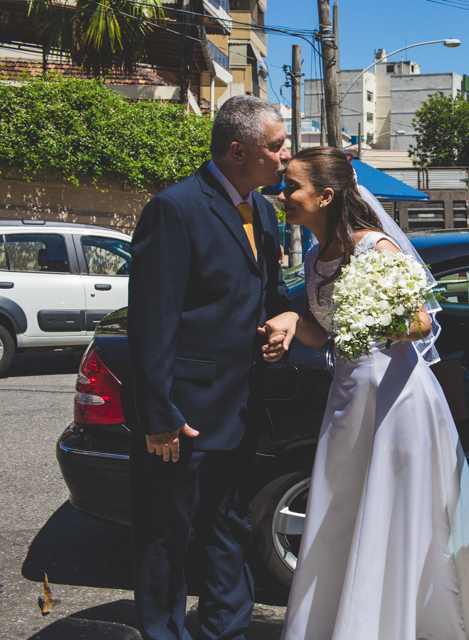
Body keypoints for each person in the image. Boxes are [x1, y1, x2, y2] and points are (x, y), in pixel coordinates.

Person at [260, 147, 469, 640]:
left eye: (291, 185)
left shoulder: (377, 248)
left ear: (326, 194)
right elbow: (327, 333)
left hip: (396, 398)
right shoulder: (316, 258)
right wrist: (295, 320)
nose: (282, 195)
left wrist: (368, 317)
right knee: (343, 510)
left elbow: (420, 322)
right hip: (348, 398)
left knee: (395, 512)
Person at [126, 95, 291, 640]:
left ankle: (226, 631)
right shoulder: (176, 208)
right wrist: (157, 413)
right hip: (182, 416)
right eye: (277, 146)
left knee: (229, 528)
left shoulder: (264, 211)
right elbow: (152, 320)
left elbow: (268, 296)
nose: (287, 156)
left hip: (240, 408)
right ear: (239, 150)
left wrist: (284, 321)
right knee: (166, 536)